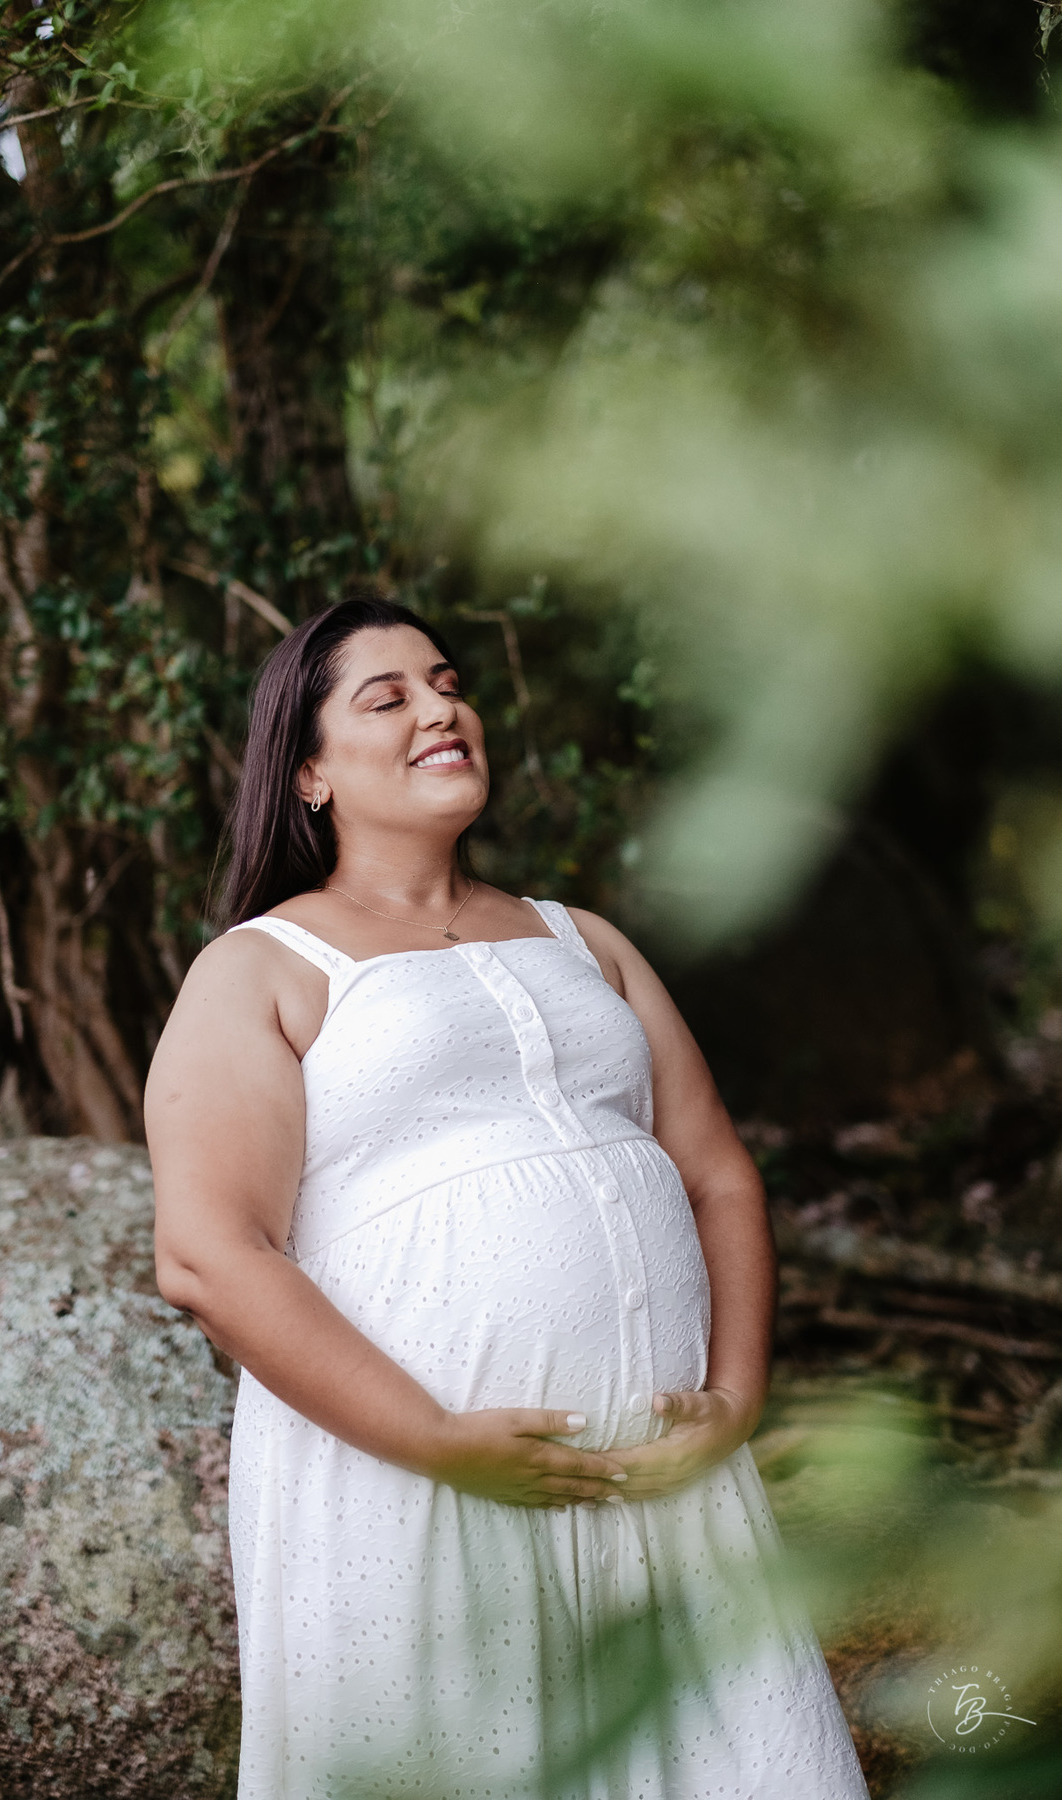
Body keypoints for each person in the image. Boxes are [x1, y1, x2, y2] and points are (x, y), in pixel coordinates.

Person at [145, 596, 871, 1800]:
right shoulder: (263, 968)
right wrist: (433, 1440)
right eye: (390, 698)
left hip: (664, 1487)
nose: (442, 708)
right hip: (420, 1495)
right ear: (310, 773)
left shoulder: (583, 942)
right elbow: (211, 1256)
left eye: (447, 682)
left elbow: (716, 1175)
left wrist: (736, 1399)